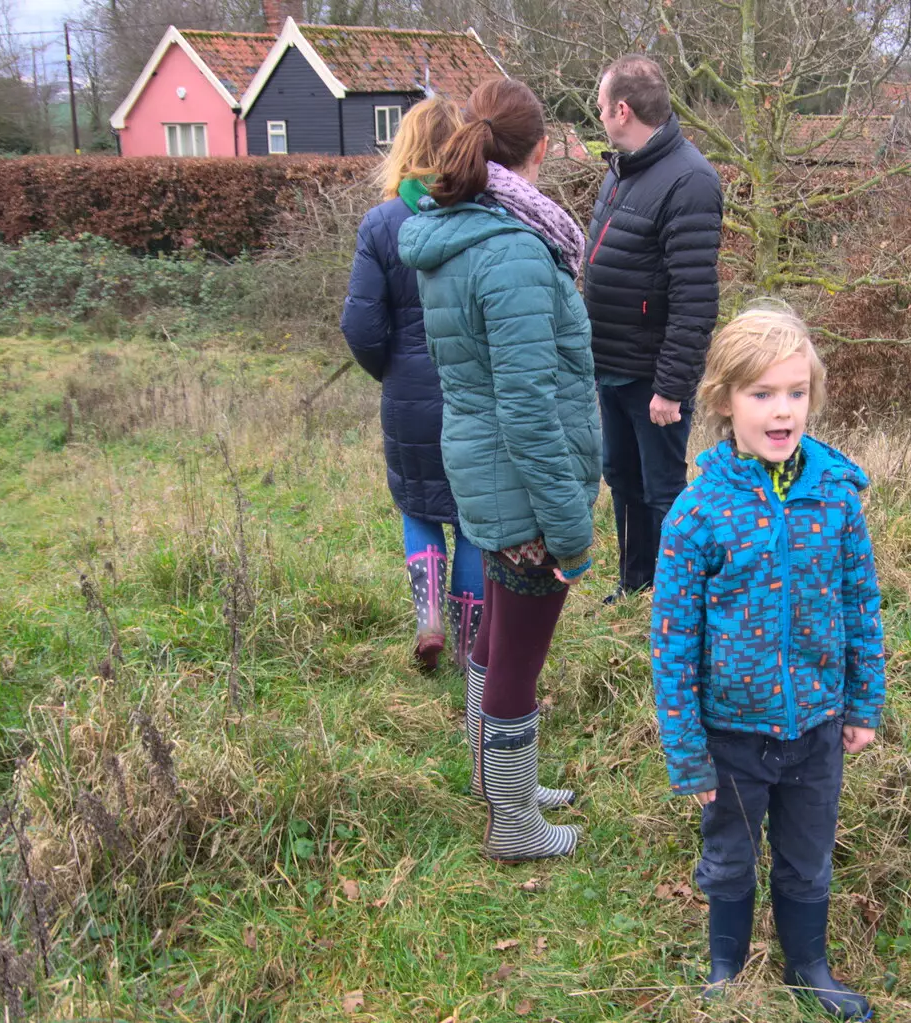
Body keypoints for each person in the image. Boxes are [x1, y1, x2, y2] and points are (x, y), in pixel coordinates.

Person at [650, 305, 884, 1017]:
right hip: (731, 737)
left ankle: (807, 962)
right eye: (762, 394)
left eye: (795, 393)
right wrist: (688, 750)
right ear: (724, 400)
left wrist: (862, 703)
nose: (782, 411)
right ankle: (726, 965)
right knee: (729, 854)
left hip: (816, 726)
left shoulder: (837, 498)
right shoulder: (698, 512)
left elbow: (860, 603)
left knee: (808, 854)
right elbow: (672, 640)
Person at [400, 79, 599, 862]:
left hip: (488, 474)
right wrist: (572, 529)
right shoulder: (512, 251)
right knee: (518, 655)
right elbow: (528, 409)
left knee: (493, 643)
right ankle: (514, 824)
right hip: (523, 488)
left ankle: (501, 781)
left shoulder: (458, 230)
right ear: (540, 151)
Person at [340, 97, 484, 671]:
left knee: (418, 505)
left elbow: (361, 325)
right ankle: (472, 642)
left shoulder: (381, 224)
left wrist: (393, 371)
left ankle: (428, 620)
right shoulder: (482, 216)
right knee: (473, 516)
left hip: (408, 397)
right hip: (473, 395)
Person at [584, 54, 723, 600]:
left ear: (622, 109)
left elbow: (695, 298)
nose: (598, 115)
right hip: (611, 367)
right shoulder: (624, 167)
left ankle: (677, 600)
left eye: (600, 106)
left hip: (651, 376)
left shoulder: (689, 179)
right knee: (621, 478)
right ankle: (634, 586)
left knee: (663, 489)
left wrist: (671, 386)